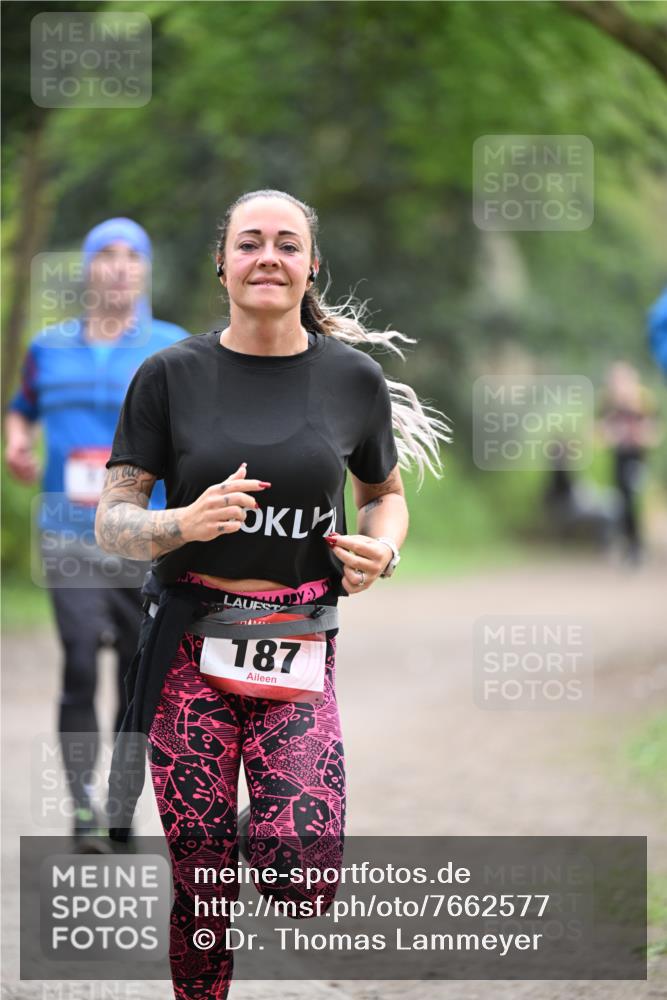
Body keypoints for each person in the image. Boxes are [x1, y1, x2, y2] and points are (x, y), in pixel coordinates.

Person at [95, 190, 449, 999]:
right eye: (249, 243)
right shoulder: (169, 375)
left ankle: (239, 841)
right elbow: (114, 521)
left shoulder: (351, 379)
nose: (267, 258)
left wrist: (382, 548)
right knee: (203, 888)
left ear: (310, 265)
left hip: (298, 644)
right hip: (189, 654)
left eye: (286, 245)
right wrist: (178, 522)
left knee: (305, 876)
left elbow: (383, 493)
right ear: (220, 263)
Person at [5, 218, 189, 846]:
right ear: (88, 269)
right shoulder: (47, 349)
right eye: (105, 255)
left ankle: (120, 802)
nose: (117, 266)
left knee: (138, 678)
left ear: (144, 270)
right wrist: (17, 441)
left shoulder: (173, 349)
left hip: (144, 537)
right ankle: (82, 806)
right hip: (69, 533)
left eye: (130, 256)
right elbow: (22, 406)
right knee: (81, 660)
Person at [598, 361, 660, 564]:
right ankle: (628, 543)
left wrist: (638, 434)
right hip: (618, 458)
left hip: (637, 458)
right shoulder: (609, 403)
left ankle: (636, 546)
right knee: (621, 500)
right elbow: (599, 431)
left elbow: (654, 433)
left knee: (631, 499)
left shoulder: (643, 402)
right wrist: (612, 434)